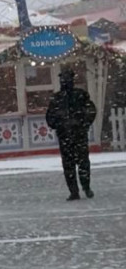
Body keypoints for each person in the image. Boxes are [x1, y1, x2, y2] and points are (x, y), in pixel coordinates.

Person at [46, 68, 97, 200]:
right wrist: (59, 125)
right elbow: (50, 117)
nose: (65, 81)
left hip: (76, 135)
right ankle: (76, 190)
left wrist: (83, 124)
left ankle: (84, 188)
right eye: (64, 79)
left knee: (80, 163)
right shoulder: (59, 98)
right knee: (72, 164)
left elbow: (91, 111)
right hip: (68, 136)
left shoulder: (78, 95)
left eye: (67, 79)